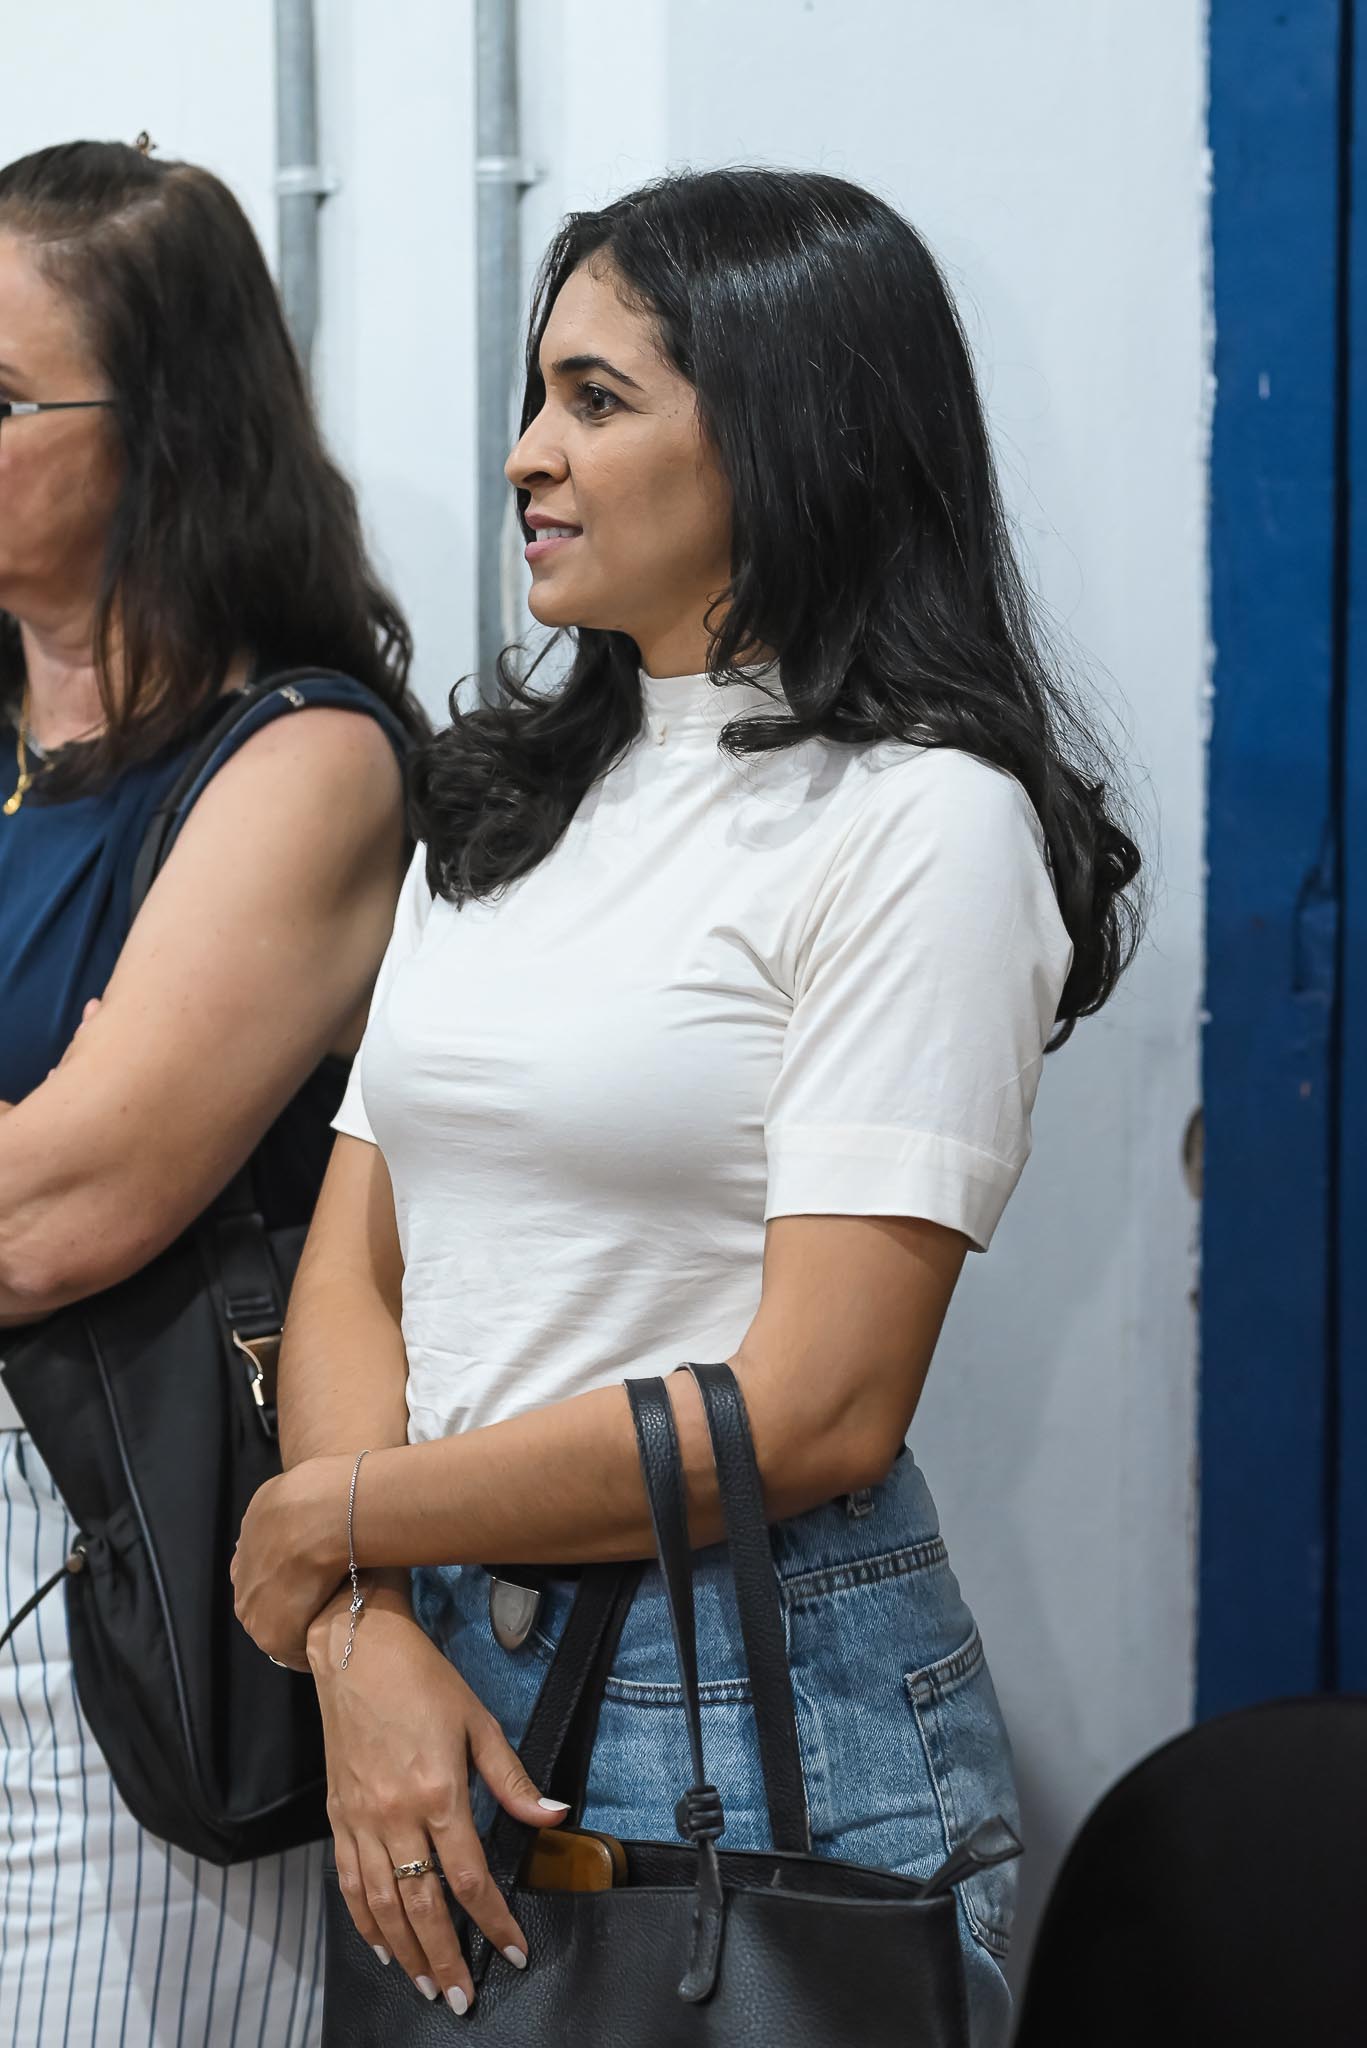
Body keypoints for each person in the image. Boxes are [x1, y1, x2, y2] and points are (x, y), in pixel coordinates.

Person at [231, 166, 1142, 2045]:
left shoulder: (922, 820)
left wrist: (340, 1525)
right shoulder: (502, 802)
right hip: (427, 1663)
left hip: (742, 1697)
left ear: (789, 436)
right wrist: (363, 1623)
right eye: (536, 397)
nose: (525, 456)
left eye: (598, 399)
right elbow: (361, 1265)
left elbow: (816, 1406)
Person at [0, 140, 421, 2046]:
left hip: (106, 1582)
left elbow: (63, 1207)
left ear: (162, 428)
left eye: (5, 395)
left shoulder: (301, 760)